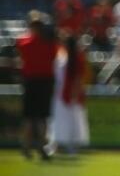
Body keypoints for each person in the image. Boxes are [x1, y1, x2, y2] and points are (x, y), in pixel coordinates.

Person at [16, 12, 57, 160]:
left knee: (29, 117)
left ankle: (26, 148)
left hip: (31, 82)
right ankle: (41, 147)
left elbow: (21, 46)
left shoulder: (24, 43)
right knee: (42, 118)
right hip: (45, 82)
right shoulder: (50, 44)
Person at [47, 35, 89, 156]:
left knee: (73, 121)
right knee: (58, 120)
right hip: (59, 92)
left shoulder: (77, 57)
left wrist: (74, 94)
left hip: (71, 94)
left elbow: (78, 78)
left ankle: (72, 146)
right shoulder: (61, 55)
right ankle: (55, 144)